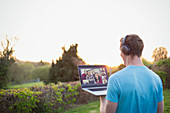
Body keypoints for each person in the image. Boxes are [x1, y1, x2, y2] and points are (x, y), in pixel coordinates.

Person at [100, 34, 164, 113]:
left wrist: (103, 100)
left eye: (121, 51)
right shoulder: (156, 79)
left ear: (125, 50)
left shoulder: (115, 79)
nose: (120, 54)